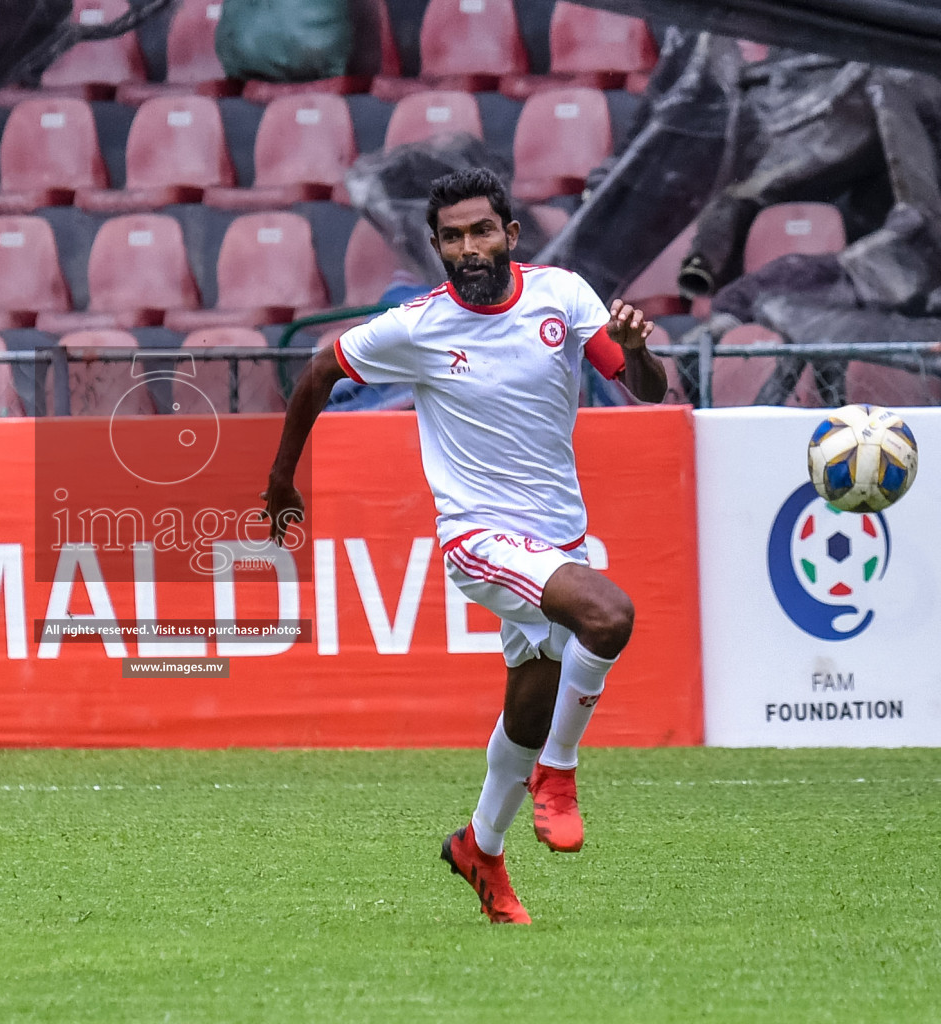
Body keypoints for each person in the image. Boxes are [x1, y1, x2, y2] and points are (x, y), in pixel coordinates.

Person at [263, 168, 667, 925]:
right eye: (452, 236)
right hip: (477, 536)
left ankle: (479, 846)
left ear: (510, 236)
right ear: (437, 247)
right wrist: (283, 481)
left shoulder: (564, 295)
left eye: (482, 231)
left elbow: (646, 387)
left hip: (557, 534)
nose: (469, 247)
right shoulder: (418, 326)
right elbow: (319, 369)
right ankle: (560, 771)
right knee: (608, 616)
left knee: (533, 695)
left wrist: (638, 351)